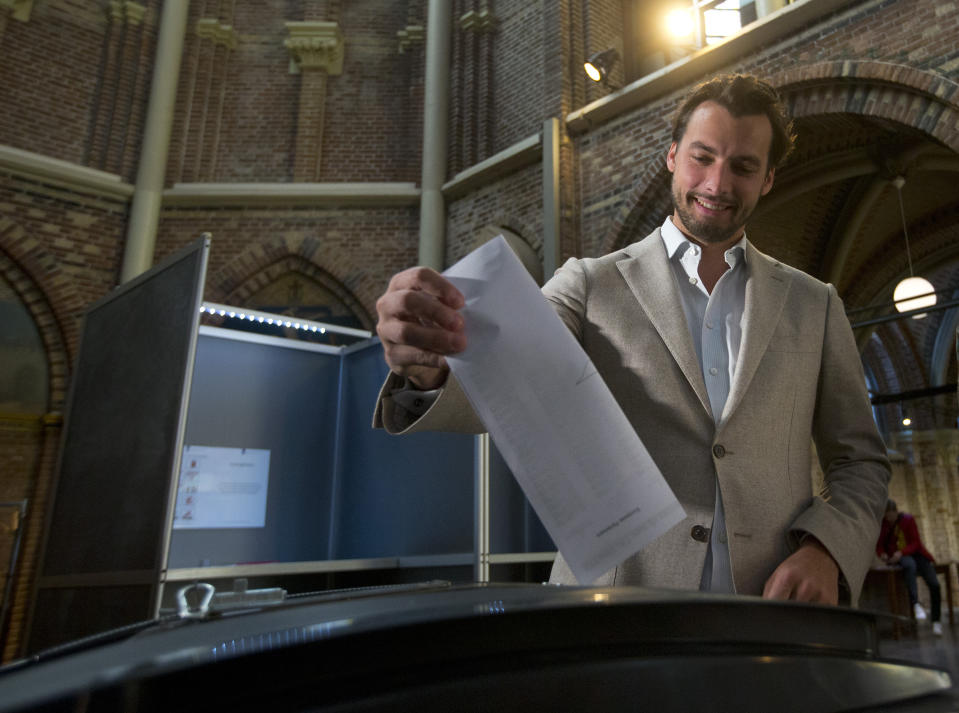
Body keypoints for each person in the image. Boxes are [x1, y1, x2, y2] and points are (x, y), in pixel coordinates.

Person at [373, 73, 890, 605]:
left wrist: (825, 549)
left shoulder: (815, 303)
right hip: (614, 606)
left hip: (770, 609)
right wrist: (432, 366)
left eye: (743, 166)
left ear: (768, 179)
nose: (717, 184)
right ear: (671, 156)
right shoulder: (589, 283)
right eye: (702, 157)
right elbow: (503, 383)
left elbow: (860, 462)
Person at [877, 499, 942, 634]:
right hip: (901, 558)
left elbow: (916, 543)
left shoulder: (907, 520)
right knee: (909, 565)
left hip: (915, 554)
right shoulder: (884, 525)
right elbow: (880, 545)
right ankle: (915, 603)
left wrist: (902, 552)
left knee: (934, 584)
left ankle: (936, 620)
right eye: (886, 515)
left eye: (890, 515)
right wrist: (882, 554)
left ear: (895, 512)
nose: (888, 518)